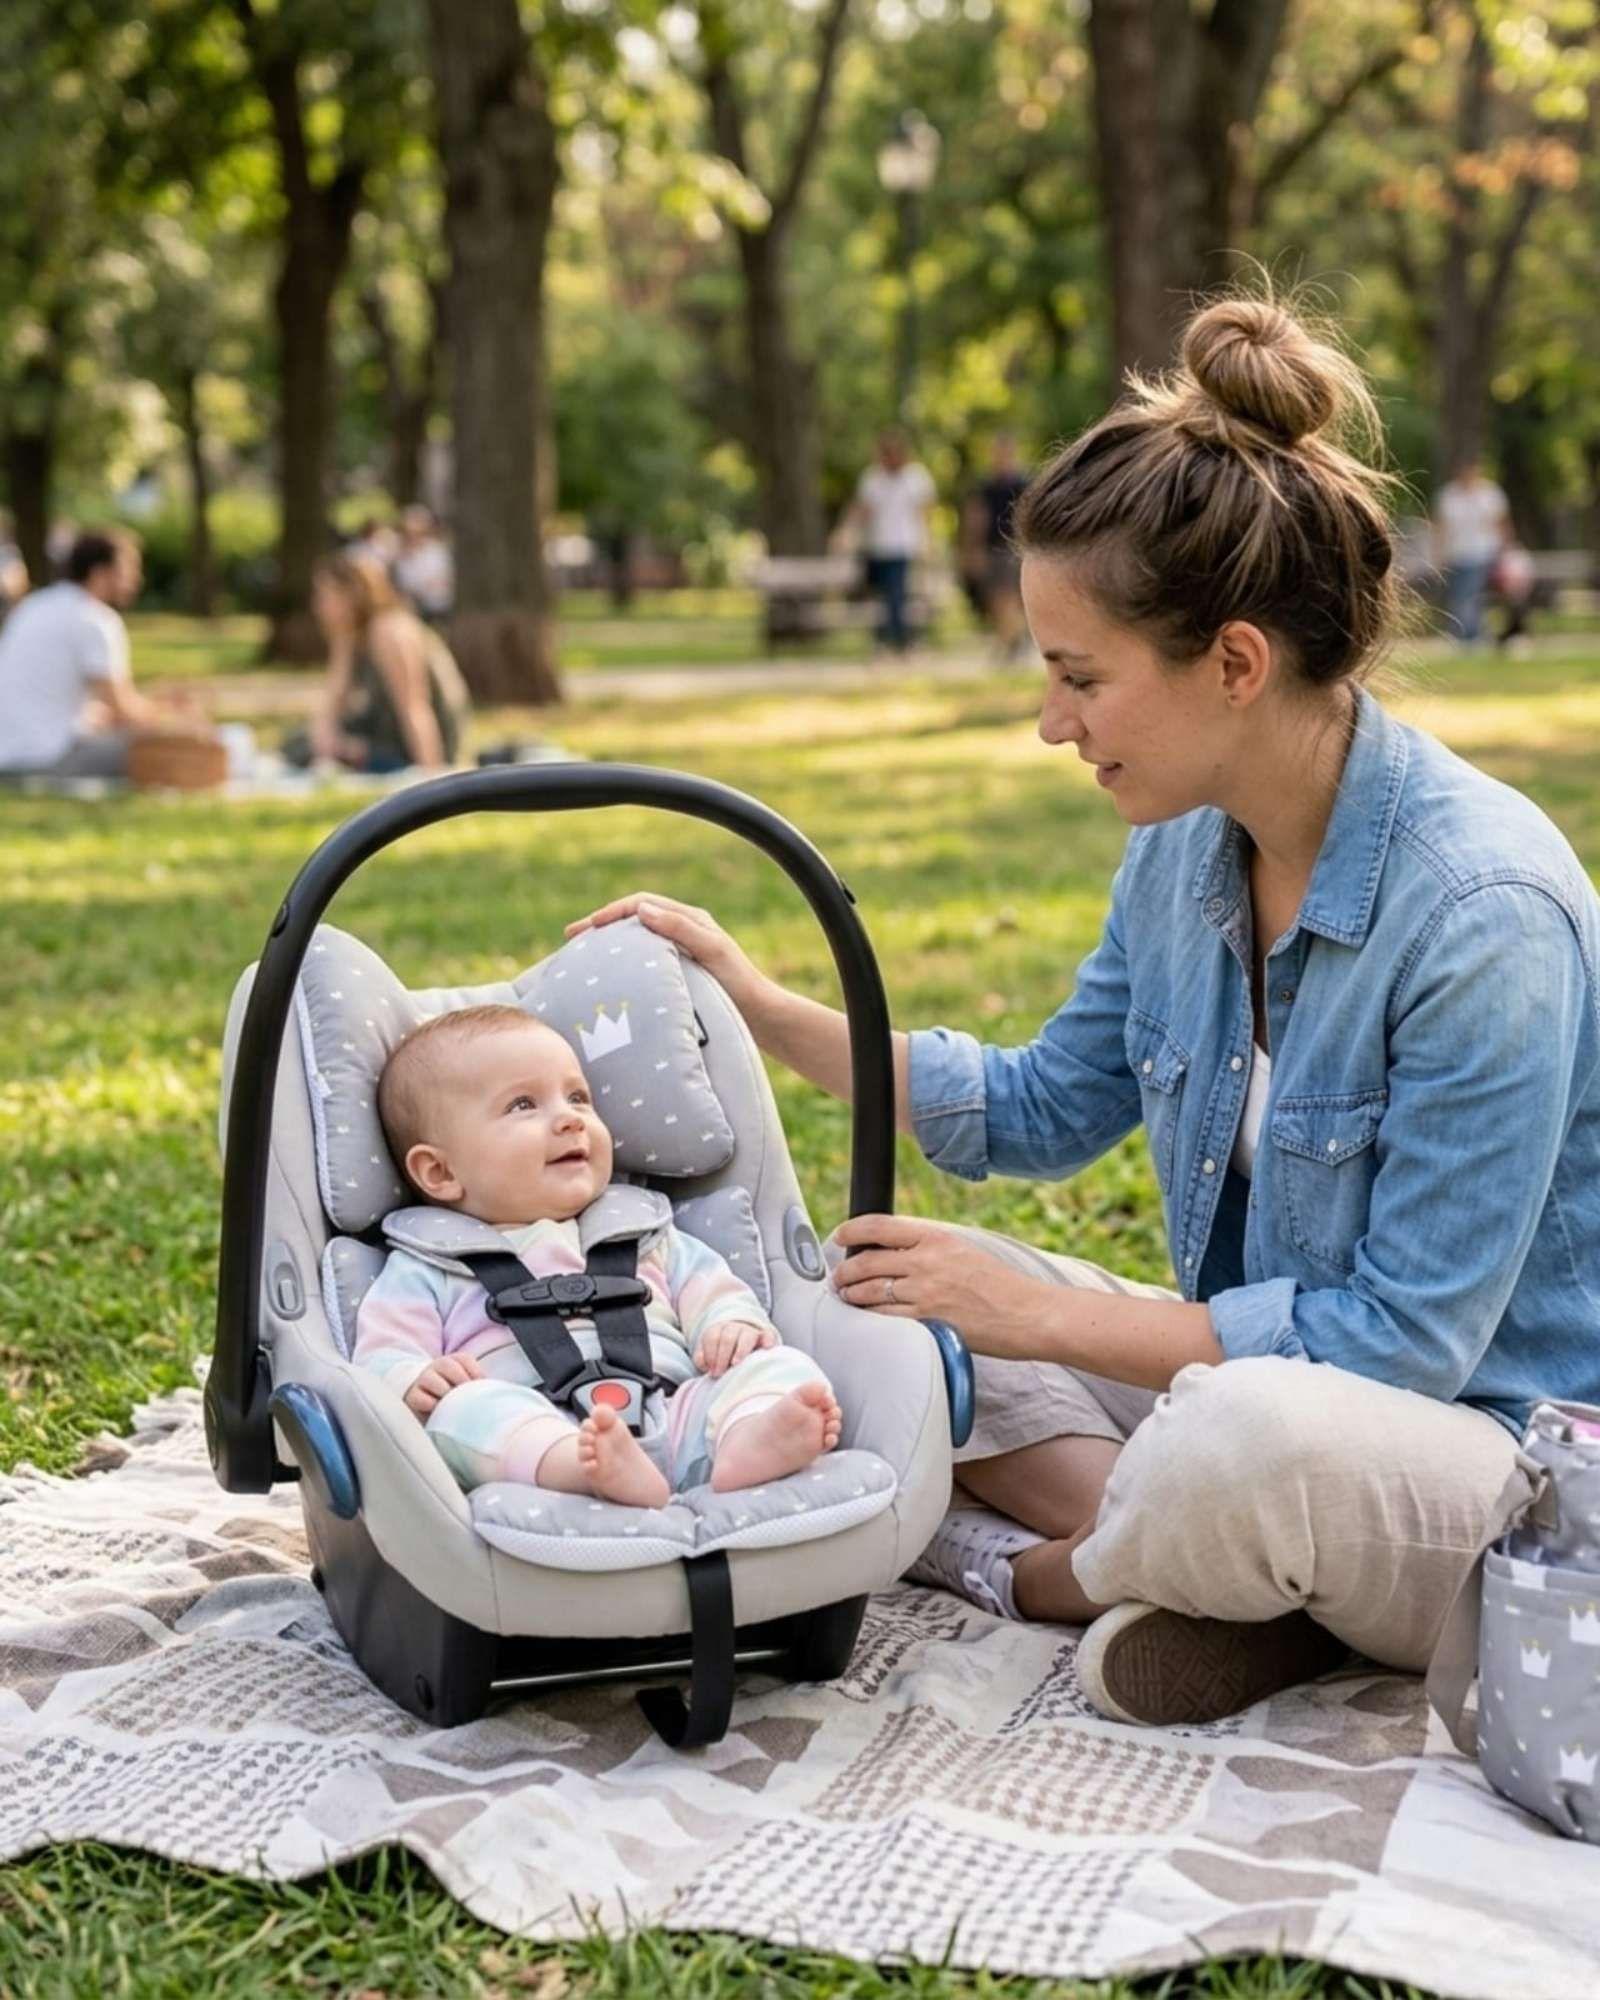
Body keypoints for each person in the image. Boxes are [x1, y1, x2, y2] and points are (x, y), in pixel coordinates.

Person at [566, 293, 1600, 1729]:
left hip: (1495, 1464)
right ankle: (1238, 1594)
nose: (1053, 723)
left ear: (1236, 664)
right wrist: (756, 1004)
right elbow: (1040, 1106)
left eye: (1080, 678)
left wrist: (1051, 1317)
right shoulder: (1185, 847)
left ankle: (1047, 1575)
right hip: (1258, 1404)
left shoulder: (1486, 917)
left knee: (1236, 1437)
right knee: (891, 1299)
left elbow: (1398, 1348)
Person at [353, 1006, 843, 1505]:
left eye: (578, 1098)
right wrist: (413, 1378)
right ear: (439, 1172)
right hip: (532, 1432)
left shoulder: (641, 1233)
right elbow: (380, 1357)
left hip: (677, 1411)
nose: (569, 1119)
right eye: (523, 1105)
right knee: (464, 1411)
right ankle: (582, 1468)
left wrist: (731, 1324)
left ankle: (747, 1439)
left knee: (777, 1363)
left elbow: (712, 1289)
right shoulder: (428, 1265)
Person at [0, 528, 197, 776]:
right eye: (128, 570)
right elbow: (124, 712)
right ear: (99, 573)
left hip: (7, 753)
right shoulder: (95, 619)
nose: (137, 580)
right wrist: (169, 715)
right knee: (170, 751)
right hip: (50, 758)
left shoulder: (34, 605)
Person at [286, 554, 468, 773]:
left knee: (304, 749)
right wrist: (327, 740)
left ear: (352, 595)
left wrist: (432, 773)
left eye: (325, 596)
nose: (318, 606)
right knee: (297, 743)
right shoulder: (352, 635)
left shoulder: (390, 631)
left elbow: (415, 706)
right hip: (384, 732)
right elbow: (333, 702)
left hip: (415, 741)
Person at [840, 429, 936, 654]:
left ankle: (898, 639)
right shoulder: (872, 478)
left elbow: (925, 511)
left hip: (903, 545)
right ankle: (889, 638)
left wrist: (927, 540)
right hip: (877, 546)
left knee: (897, 593)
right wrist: (847, 532)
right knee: (882, 594)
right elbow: (862, 509)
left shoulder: (916, 477)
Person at [961, 435, 1030, 660]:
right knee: (996, 600)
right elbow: (976, 518)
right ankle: (1012, 640)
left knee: (1007, 597)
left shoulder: (1022, 483)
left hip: (1013, 547)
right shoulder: (986, 487)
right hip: (992, 547)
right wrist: (972, 548)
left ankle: (1008, 644)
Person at [1432, 458, 1509, 646]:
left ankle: (1469, 634)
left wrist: (1505, 550)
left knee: (1470, 593)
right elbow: (1441, 528)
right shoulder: (1449, 495)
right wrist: (1438, 554)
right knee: (1460, 594)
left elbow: (1501, 523)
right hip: (1456, 553)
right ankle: (1464, 631)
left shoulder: (1489, 494)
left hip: (1482, 552)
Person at [391, 505, 454, 624]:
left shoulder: (436, 551)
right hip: (408, 610)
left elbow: (440, 582)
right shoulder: (398, 555)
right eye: (406, 532)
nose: (411, 536)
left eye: (416, 532)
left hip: (435, 609)